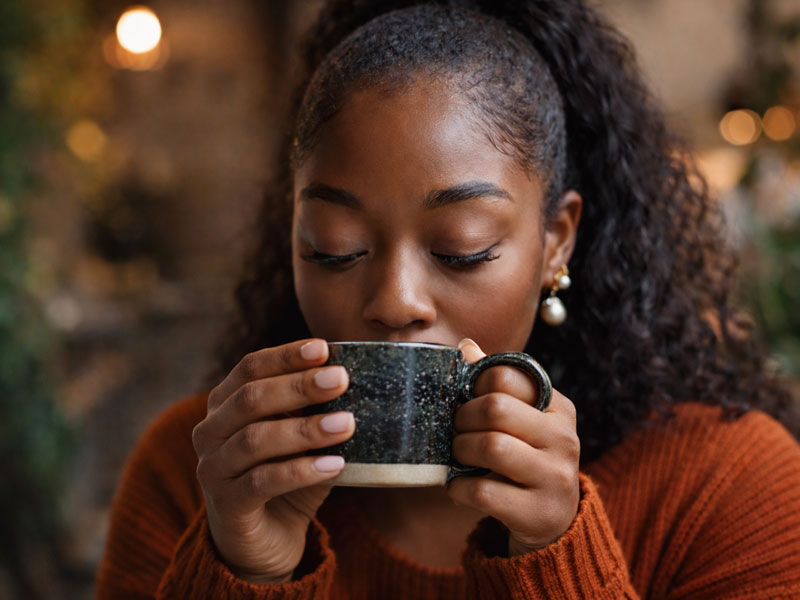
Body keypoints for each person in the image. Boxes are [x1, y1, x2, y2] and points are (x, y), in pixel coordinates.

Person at [96, 1, 800, 598]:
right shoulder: (194, 477)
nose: (396, 300)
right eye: (334, 247)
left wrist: (557, 561)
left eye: (461, 248)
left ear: (557, 240)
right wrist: (242, 571)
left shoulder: (732, 490)